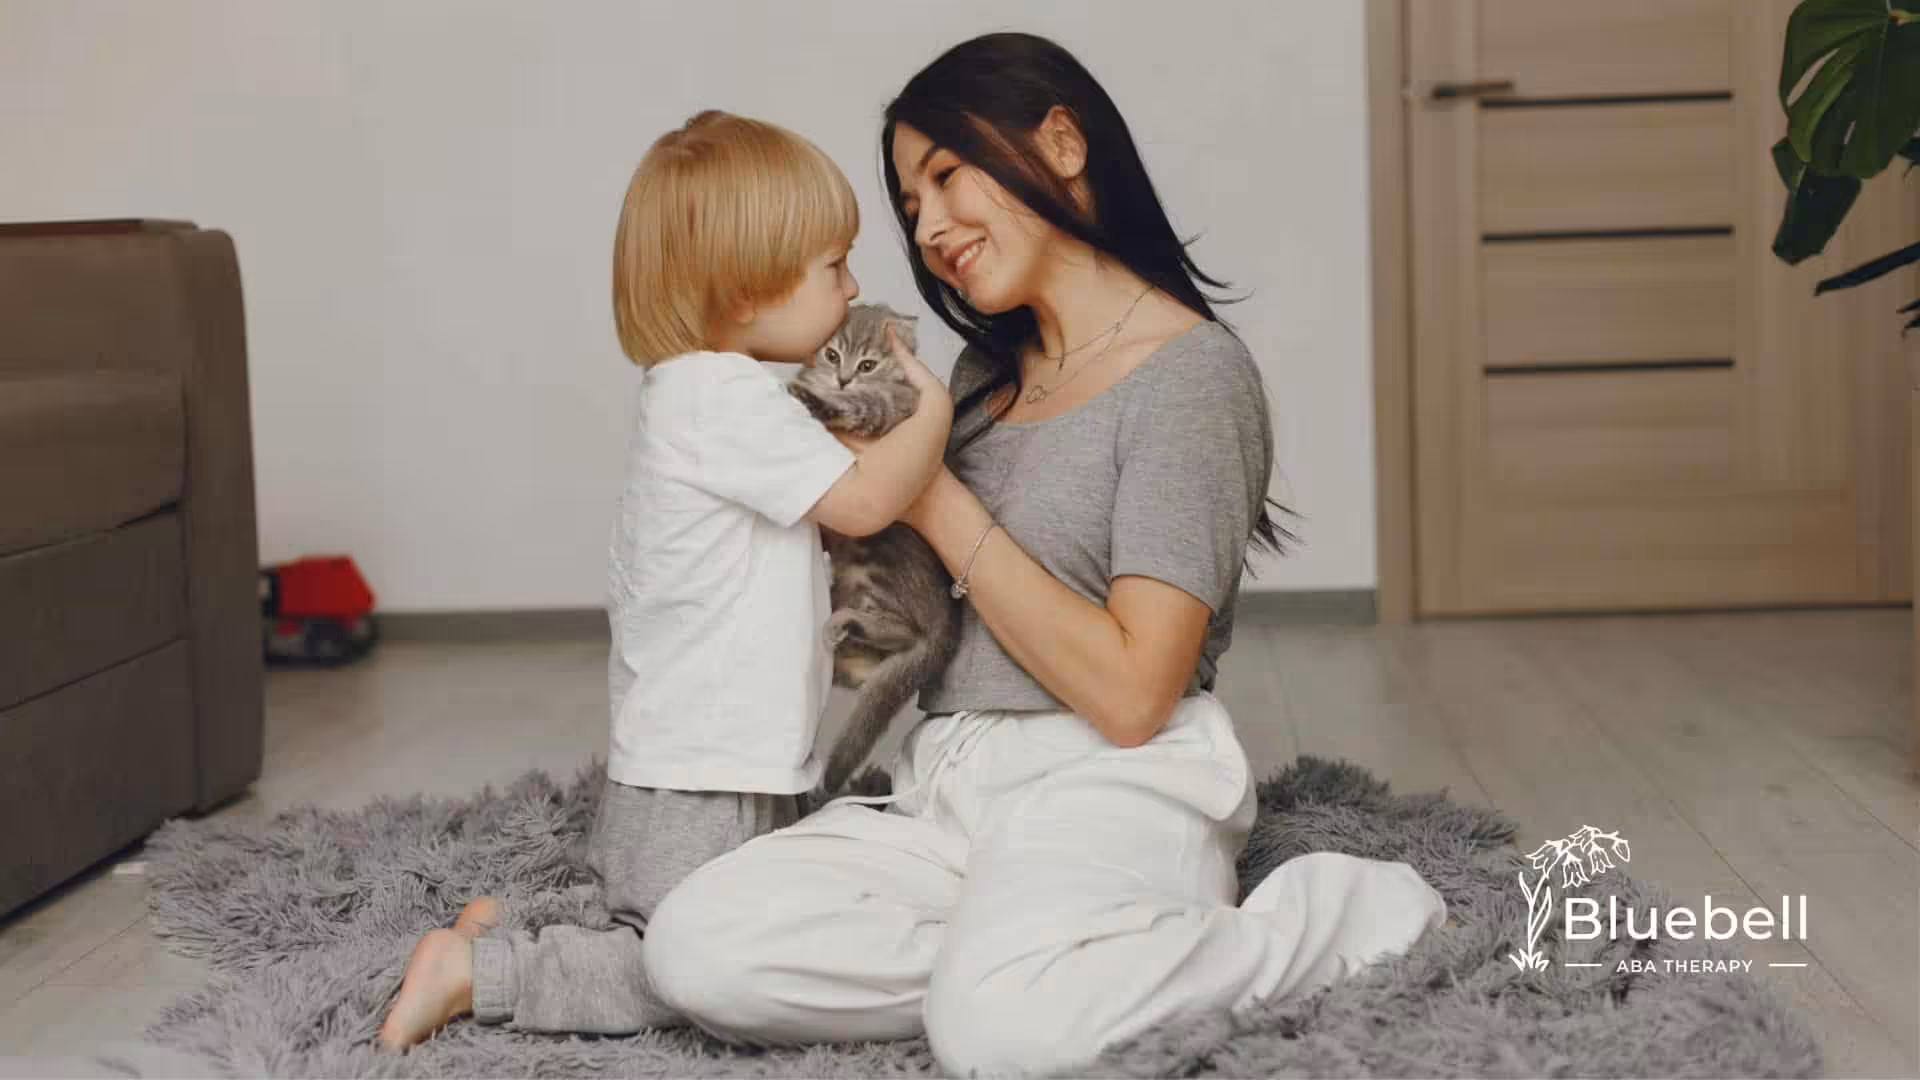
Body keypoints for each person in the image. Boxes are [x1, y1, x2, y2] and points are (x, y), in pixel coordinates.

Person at [639, 34, 1450, 1077]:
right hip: (947, 782)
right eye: (909, 203)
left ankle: (1335, 916)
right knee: (697, 947)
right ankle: (1045, 955)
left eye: (944, 177)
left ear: (1061, 142)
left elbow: (1131, 691)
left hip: (1109, 777)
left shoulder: (1191, 378)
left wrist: (928, 497)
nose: (927, 228)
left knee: (1002, 1034)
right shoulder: (981, 373)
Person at [376, 109, 952, 1052]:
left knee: (719, 906)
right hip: (708, 771)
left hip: (701, 754)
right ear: (743, 291)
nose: (853, 289)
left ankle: (508, 926)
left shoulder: (701, 392)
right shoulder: (722, 399)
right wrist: (933, 408)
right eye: (833, 268)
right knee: (676, 966)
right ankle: (481, 973)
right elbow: (864, 506)